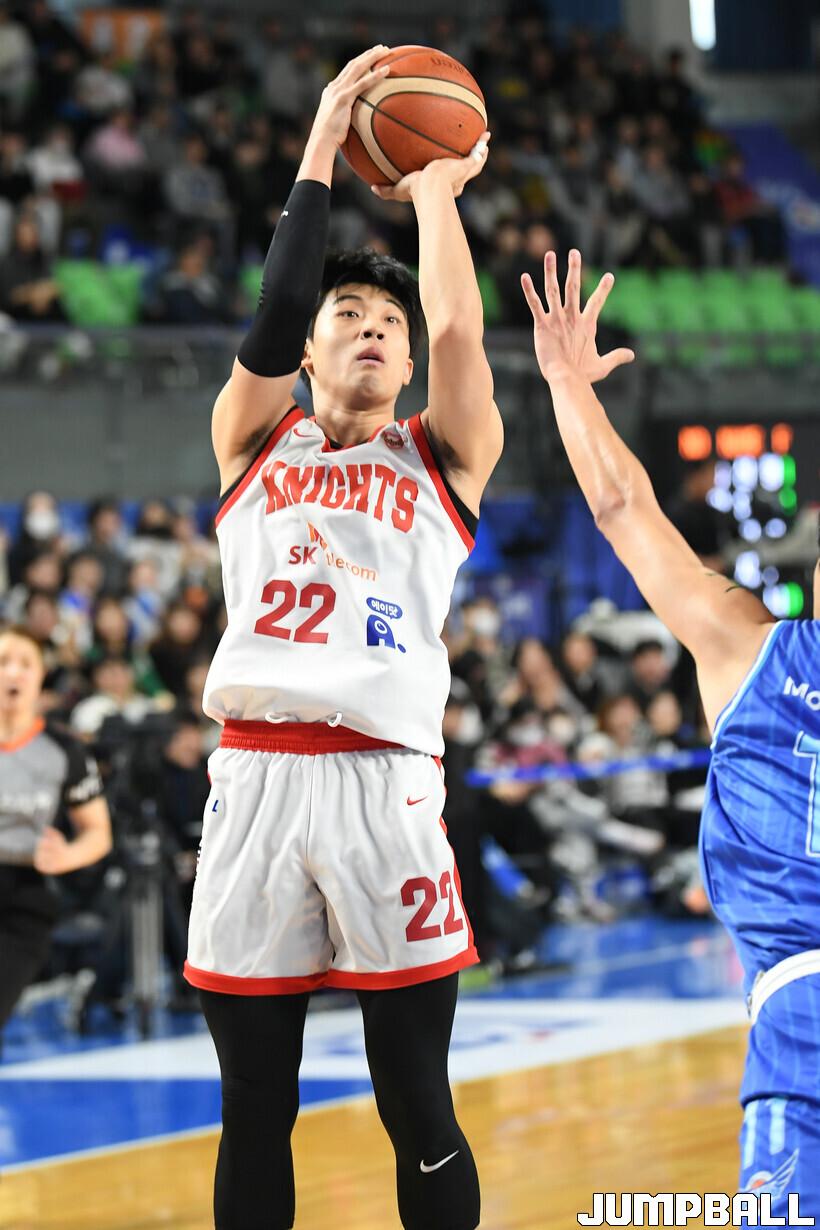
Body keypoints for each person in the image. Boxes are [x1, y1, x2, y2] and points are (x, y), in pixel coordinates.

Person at [183, 46, 501, 1230]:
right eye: (346, 317)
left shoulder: (441, 457)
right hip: (256, 783)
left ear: (404, 362)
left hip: (384, 787)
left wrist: (433, 194)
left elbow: (459, 334)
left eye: (386, 322)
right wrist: (323, 142)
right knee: (253, 1106)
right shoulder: (252, 438)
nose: (370, 329)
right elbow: (272, 311)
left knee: (416, 1103)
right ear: (308, 352)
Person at [521, 247, 820, 1220]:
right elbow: (622, 507)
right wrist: (568, 387)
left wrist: (568, 384)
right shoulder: (750, 646)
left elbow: (623, 511)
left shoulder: (746, 648)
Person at [0, 626, 111, 1030]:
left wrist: (67, 855)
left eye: (25, 664)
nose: (13, 672)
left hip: (24, 898)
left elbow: (99, 833)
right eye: (3, 662)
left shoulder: (64, 749)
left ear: (40, 676)